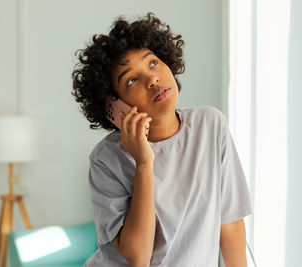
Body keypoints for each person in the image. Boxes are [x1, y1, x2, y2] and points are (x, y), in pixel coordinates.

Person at [71, 12, 253, 267]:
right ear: (114, 106)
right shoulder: (106, 158)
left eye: (153, 63)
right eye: (132, 80)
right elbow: (138, 256)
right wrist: (144, 162)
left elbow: (230, 223)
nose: (152, 79)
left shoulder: (210, 124)